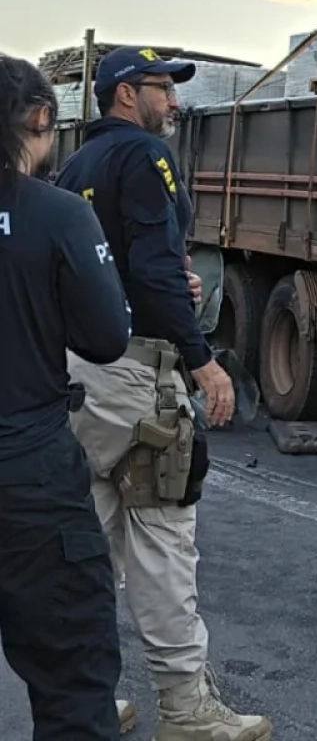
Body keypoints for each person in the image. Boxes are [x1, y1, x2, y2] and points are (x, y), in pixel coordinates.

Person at [55, 46, 272, 741]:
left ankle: (86, 697)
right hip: (137, 370)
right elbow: (150, 268)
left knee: (93, 539)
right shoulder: (147, 157)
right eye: (162, 89)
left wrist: (172, 288)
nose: (174, 102)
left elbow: (117, 269)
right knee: (163, 535)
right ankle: (185, 708)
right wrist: (204, 361)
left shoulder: (75, 166)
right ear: (126, 95)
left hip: (83, 372)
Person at [0, 55, 132, 739]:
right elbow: (108, 338)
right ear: (41, 120)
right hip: (29, 472)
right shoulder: (57, 214)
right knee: (72, 679)